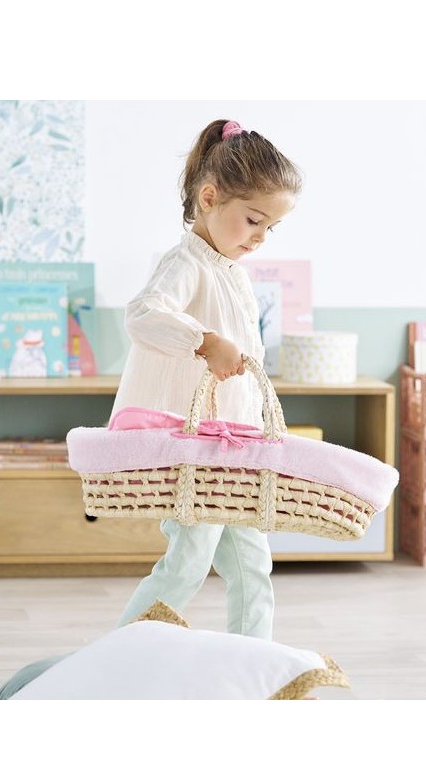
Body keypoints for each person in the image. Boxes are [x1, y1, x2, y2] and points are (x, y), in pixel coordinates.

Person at [111, 119, 302, 640]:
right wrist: (203, 341)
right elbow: (143, 314)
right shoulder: (186, 264)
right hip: (194, 450)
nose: (260, 237)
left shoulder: (232, 273)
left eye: (270, 228)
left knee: (252, 565)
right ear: (210, 198)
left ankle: (252, 657)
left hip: (233, 448)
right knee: (188, 561)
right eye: (253, 220)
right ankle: (122, 650)